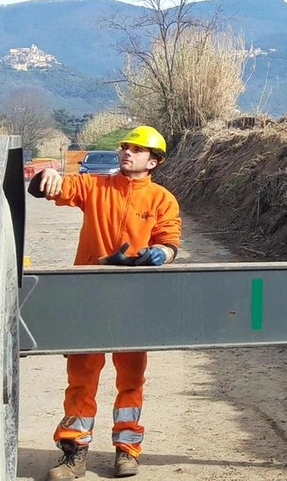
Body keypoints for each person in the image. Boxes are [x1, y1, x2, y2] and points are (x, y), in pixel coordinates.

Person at [28, 125, 181, 479]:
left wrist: (161, 252)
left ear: (153, 162)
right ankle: (74, 453)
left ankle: (126, 452)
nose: (127, 152)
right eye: (125, 146)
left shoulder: (161, 199)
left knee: (131, 378)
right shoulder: (95, 186)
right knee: (82, 375)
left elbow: (170, 239)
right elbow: (53, 188)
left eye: (137, 149)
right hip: (89, 294)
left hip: (134, 299)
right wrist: (46, 175)